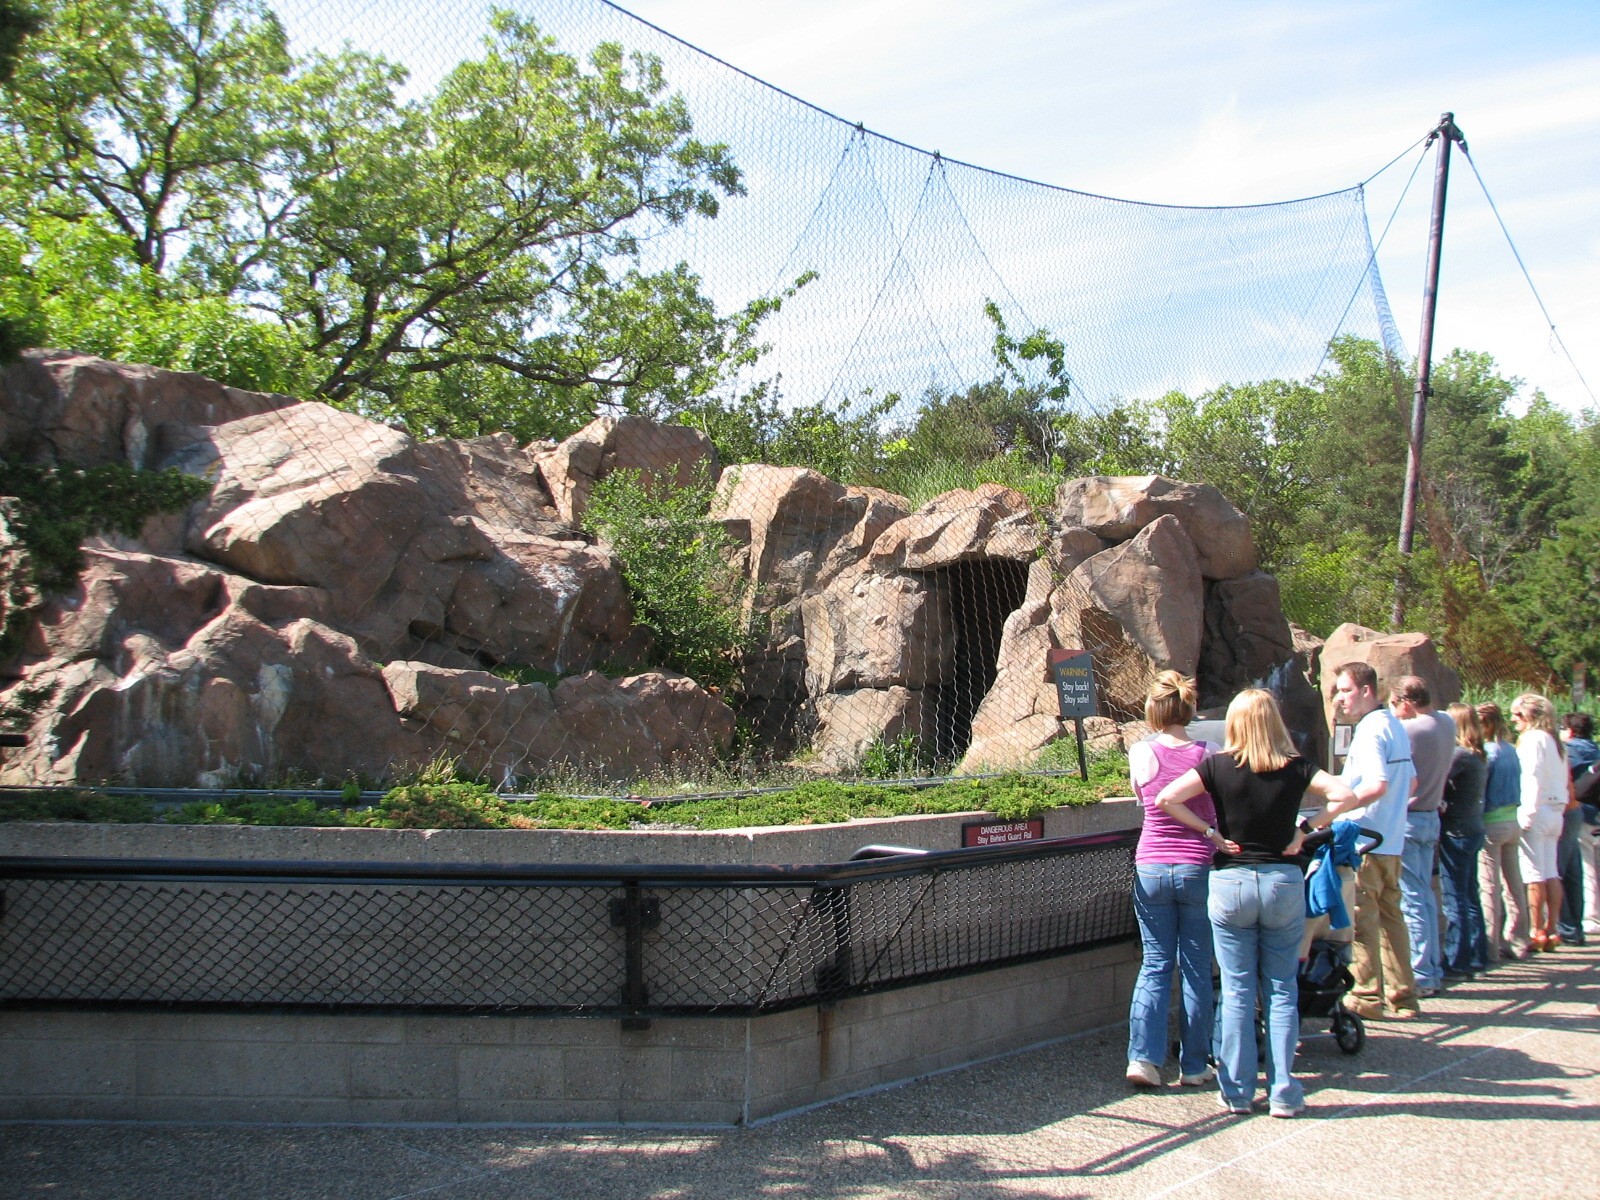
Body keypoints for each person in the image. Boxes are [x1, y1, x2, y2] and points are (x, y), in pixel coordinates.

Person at [1154, 689, 1357, 1119]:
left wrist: (1210, 833)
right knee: (1281, 989)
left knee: (1237, 988)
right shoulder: (1297, 767)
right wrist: (1306, 829)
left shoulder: (1217, 765)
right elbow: (1346, 795)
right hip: (1282, 882)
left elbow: (1166, 798)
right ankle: (1284, 1091)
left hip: (1231, 883)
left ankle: (1238, 1091)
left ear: (1235, 723)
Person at [1124, 672, 1218, 1088]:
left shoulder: (1140, 752)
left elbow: (1141, 799)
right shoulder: (1210, 752)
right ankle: (1195, 1064)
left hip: (1152, 865)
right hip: (1199, 863)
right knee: (1197, 967)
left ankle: (1143, 1059)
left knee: (1156, 964)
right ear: (1189, 707)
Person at [1332, 661, 1419, 1019]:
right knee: (1392, 918)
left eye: (1345, 690)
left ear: (1366, 690)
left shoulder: (1369, 731)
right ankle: (1403, 996)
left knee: (1362, 921)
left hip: (1364, 841)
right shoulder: (1393, 725)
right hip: (1392, 839)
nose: (1339, 699)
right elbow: (1411, 782)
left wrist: (1336, 808)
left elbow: (1377, 783)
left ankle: (1366, 996)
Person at [1389, 676, 1455, 996]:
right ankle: (1433, 966)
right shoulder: (1447, 724)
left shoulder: (1409, 730)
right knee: (1426, 896)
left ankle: (1422, 973)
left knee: (1412, 900)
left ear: (1406, 702)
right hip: (1431, 816)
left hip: (1411, 819)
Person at [1475, 702, 1530, 962]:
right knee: (1514, 884)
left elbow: (1482, 793)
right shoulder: (1510, 749)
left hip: (1491, 822)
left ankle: (1491, 946)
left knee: (1490, 886)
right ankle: (1519, 940)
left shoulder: (1487, 753)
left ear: (1485, 724)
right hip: (1512, 821)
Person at [1511, 693, 1567, 950]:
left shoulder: (1533, 739)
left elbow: (1531, 777)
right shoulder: (1555, 740)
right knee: (1550, 871)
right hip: (1555, 809)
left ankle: (1536, 930)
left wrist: (1526, 813)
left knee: (1534, 873)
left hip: (1538, 808)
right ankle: (1552, 928)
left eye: (1518, 715)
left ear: (1531, 715)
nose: (1513, 720)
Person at [1439, 703, 1487, 978]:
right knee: (1470, 895)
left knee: (1454, 898)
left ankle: (1458, 960)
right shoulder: (1478, 754)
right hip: (1472, 828)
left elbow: (1435, 779)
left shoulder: (1459, 756)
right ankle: (1477, 955)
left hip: (1457, 831)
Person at [1556, 713, 1596, 945]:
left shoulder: (1569, 751)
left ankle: (1588, 917)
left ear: (1570, 730)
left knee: (1583, 865)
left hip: (1581, 812)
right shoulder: (1594, 748)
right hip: (1594, 812)